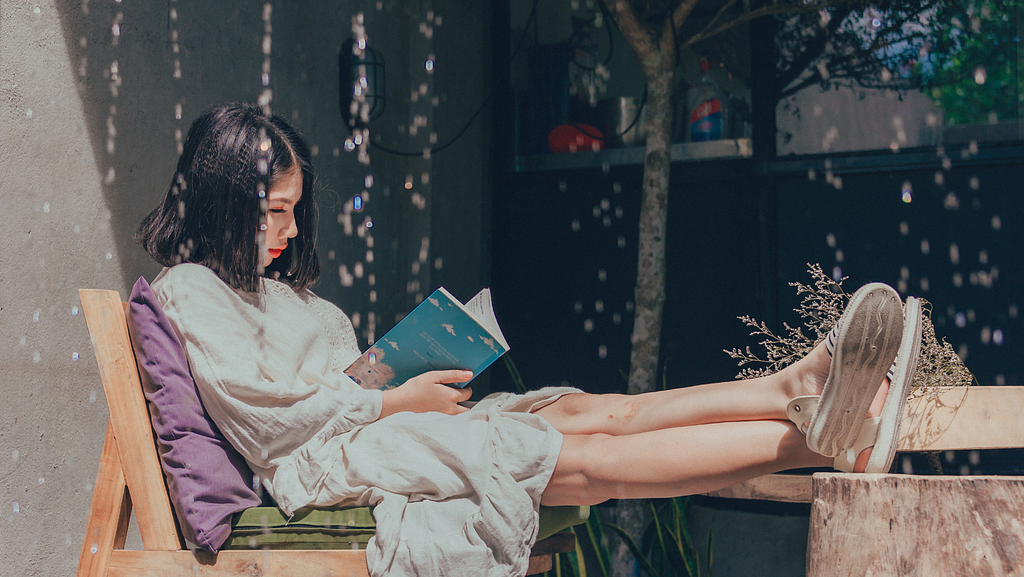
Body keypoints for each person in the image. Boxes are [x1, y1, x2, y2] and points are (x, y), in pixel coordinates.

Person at [136, 104, 922, 576]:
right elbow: (270, 422)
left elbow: (339, 381)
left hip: (375, 431)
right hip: (323, 468)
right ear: (221, 197)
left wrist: (402, 378)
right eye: (271, 209)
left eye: (294, 210)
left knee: (591, 413)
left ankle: (789, 388)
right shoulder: (191, 292)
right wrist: (388, 401)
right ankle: (817, 444)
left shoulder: (281, 295)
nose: (286, 230)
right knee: (570, 458)